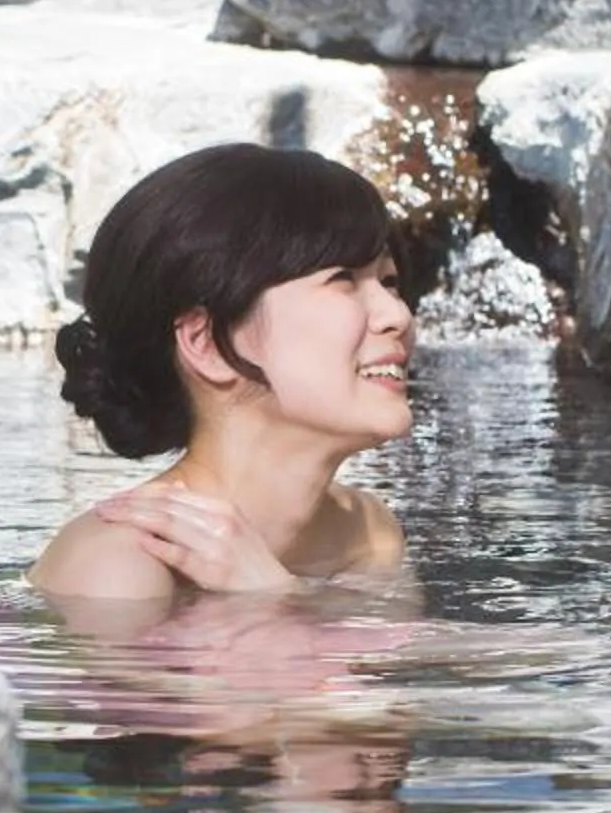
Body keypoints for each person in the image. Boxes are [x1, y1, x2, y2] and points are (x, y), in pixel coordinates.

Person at [30, 143, 413, 599]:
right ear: (206, 342)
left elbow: (407, 658)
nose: (397, 314)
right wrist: (275, 603)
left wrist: (274, 593)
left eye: (389, 281)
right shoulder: (118, 565)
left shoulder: (367, 532)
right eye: (343, 280)